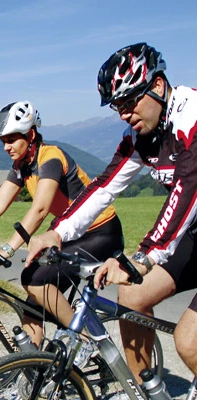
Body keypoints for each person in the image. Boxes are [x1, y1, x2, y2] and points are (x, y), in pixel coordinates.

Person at [26, 42, 197, 381]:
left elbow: (189, 189)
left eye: (129, 102)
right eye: (117, 106)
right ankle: (144, 390)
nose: (123, 114)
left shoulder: (191, 115)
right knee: (132, 295)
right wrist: (58, 231)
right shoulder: (139, 135)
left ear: (158, 85)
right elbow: (104, 187)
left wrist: (144, 256)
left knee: (188, 341)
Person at [0, 101, 124, 364]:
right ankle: (28, 369)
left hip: (100, 232)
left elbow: (40, 209)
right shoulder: (22, 166)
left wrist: (8, 248)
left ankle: (85, 341)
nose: (6, 147)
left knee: (34, 280)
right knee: (33, 307)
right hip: (68, 235)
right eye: (3, 141)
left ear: (31, 135)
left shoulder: (50, 157)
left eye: (12, 139)